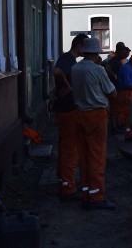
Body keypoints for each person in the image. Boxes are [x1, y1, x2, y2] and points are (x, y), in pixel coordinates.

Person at [72, 37, 117, 210]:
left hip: (79, 113)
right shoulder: (98, 70)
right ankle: (97, 197)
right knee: (97, 156)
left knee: (83, 155)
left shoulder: (75, 68)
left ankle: (86, 193)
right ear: (96, 53)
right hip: (96, 114)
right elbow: (112, 93)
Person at [51, 33, 87, 201]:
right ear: (79, 45)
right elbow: (57, 71)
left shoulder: (69, 60)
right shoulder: (67, 60)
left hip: (65, 110)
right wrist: (67, 86)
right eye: (85, 46)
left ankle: (63, 182)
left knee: (66, 148)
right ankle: (67, 186)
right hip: (67, 110)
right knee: (70, 150)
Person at [115, 53, 132, 128]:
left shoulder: (130, 67)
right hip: (126, 93)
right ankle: (127, 130)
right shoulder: (126, 68)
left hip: (129, 92)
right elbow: (127, 83)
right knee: (127, 112)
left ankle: (127, 129)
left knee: (128, 111)